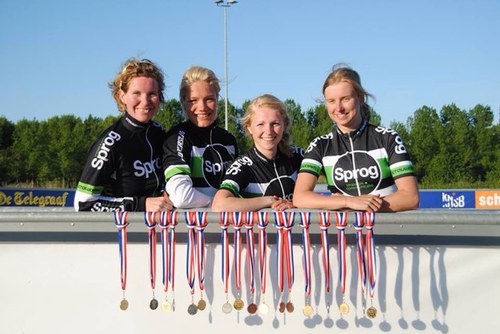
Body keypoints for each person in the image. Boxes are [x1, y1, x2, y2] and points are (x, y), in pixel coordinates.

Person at [293, 64, 419, 212]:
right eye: (331, 101)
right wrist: (349, 202)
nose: (338, 108)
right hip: (344, 233)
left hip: (386, 231)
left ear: (360, 97)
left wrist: (361, 206)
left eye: (345, 99)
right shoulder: (320, 145)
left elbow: (410, 197)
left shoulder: (387, 138)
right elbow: (300, 197)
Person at [74, 58, 173, 212]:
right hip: (121, 232)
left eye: (152, 94)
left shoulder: (158, 132)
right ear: (122, 96)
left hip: (156, 229)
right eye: (136, 93)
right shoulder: (110, 143)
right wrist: (140, 204)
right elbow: (82, 204)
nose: (145, 101)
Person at [212, 94, 303, 212]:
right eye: (260, 124)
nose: (269, 131)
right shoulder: (243, 166)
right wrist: (269, 201)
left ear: (284, 125)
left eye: (275, 124)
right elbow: (219, 205)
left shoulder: (298, 155)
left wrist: (293, 204)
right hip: (261, 230)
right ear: (249, 127)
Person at [162, 66, 238, 208]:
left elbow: (239, 189)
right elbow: (181, 197)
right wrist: (220, 204)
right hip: (191, 227)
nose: (202, 107)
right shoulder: (177, 137)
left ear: (217, 98)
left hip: (227, 227)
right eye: (193, 100)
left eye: (209, 99)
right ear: (182, 102)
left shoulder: (228, 139)